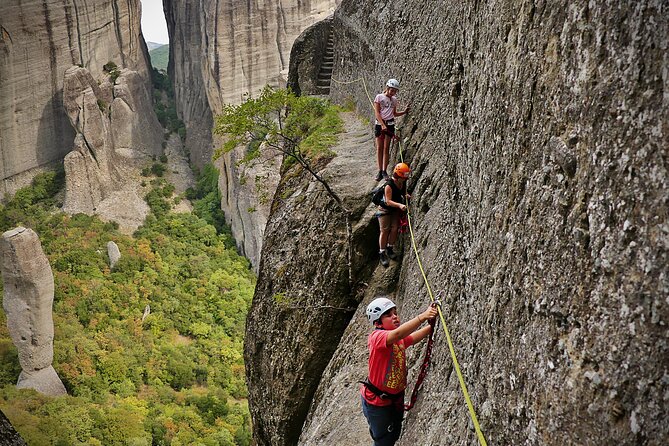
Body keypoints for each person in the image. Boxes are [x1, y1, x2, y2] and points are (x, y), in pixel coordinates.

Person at [361, 296, 438, 446]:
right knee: (384, 440)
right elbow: (398, 334)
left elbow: (411, 338)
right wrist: (423, 316)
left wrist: (431, 326)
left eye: (395, 313)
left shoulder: (396, 339)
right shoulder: (376, 337)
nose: (395, 317)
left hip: (393, 398)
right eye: (388, 315)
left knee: (394, 433)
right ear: (378, 322)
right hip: (377, 402)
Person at [373, 79, 411, 181]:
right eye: (392, 90)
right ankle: (380, 170)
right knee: (379, 148)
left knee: (386, 148)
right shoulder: (379, 97)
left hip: (389, 124)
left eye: (395, 91)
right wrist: (382, 124)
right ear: (387, 88)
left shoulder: (394, 100)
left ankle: (384, 171)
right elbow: (377, 112)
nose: (393, 93)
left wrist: (404, 112)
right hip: (380, 124)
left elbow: (394, 114)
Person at [377, 162, 411, 267]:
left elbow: (400, 192)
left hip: (395, 209)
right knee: (384, 231)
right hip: (385, 210)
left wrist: (405, 195)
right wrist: (400, 205)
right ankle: (382, 253)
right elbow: (388, 201)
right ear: (398, 176)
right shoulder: (389, 185)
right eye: (403, 177)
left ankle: (390, 248)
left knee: (395, 228)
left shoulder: (402, 182)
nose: (405, 179)